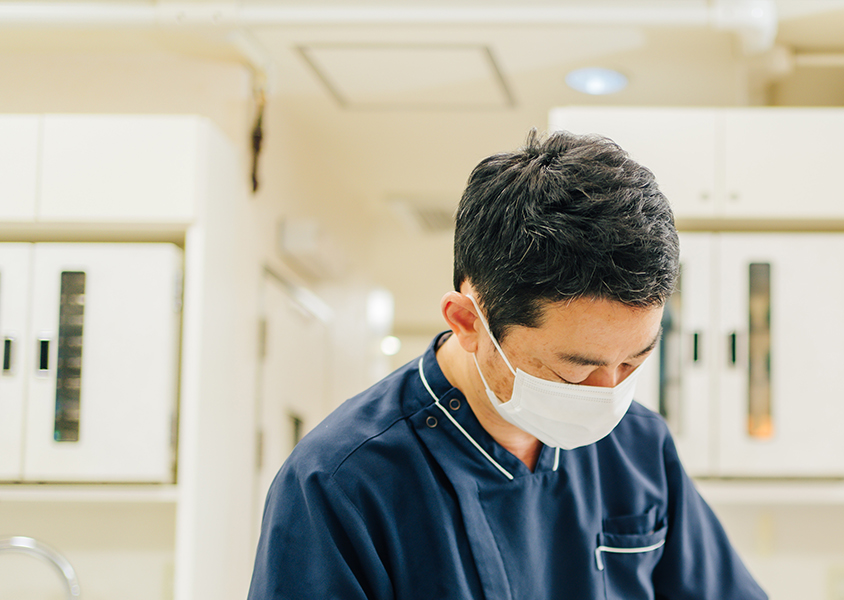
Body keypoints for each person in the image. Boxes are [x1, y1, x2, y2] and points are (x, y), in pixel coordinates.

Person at [249, 130, 767, 600]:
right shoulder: (341, 484)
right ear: (468, 323)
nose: (607, 393)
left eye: (634, 361)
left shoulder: (639, 449)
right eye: (574, 369)